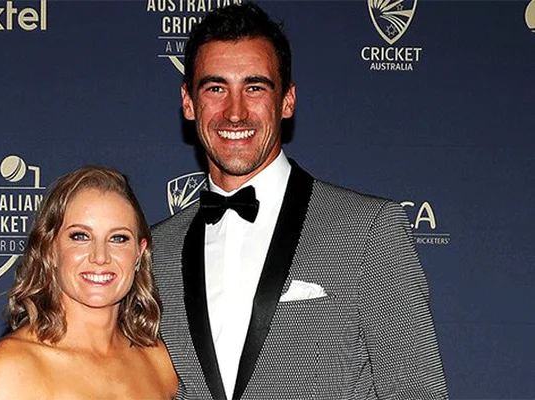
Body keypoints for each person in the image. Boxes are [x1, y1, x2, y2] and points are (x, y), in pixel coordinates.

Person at [151, 3, 449, 400]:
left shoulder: (369, 230)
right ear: (189, 103)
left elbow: (418, 392)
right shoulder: (157, 250)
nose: (235, 113)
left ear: (287, 101)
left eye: (255, 87)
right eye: (216, 88)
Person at [0, 166, 177, 400]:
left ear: (139, 252)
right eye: (80, 236)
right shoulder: (11, 368)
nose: (100, 256)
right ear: (50, 249)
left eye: (118, 238)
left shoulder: (158, 361)